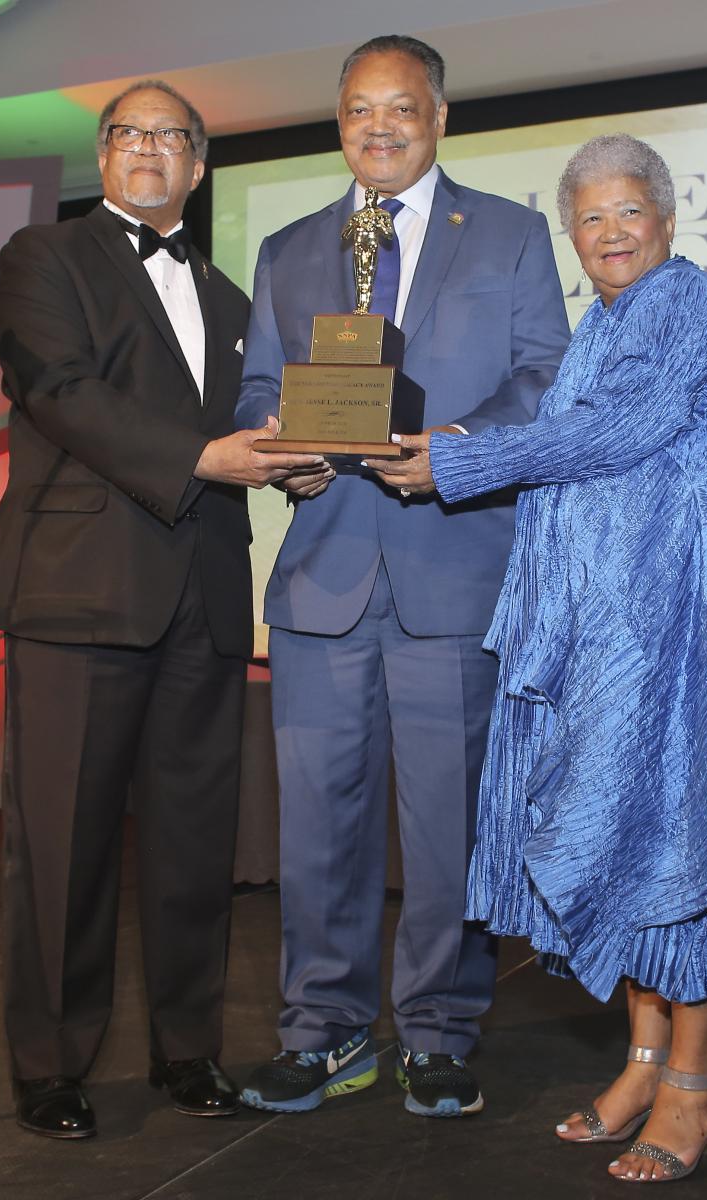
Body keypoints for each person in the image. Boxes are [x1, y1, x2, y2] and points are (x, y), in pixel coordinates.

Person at [374, 133, 707, 1179]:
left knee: (688, 846)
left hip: (690, 634)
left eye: (627, 210)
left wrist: (458, 460)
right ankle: (642, 1063)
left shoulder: (685, 302)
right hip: (617, 635)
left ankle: (696, 1082)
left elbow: (626, 429)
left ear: (665, 221)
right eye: (587, 218)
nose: (609, 231)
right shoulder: (601, 323)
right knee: (631, 839)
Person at [0, 79, 325, 1139]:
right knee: (63, 846)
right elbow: (56, 389)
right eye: (128, 132)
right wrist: (205, 458)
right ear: (102, 153)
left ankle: (188, 1050)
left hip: (203, 596)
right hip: (78, 590)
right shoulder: (43, 257)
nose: (148, 148)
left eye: (171, 136)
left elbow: (252, 427)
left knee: (193, 846)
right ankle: (49, 1065)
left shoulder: (230, 298)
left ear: (198, 166)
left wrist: (299, 460)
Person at [235, 35, 569, 1117]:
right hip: (321, 579)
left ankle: (435, 1031)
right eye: (358, 109)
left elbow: (545, 378)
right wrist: (277, 443)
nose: (377, 127)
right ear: (338, 121)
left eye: (400, 108)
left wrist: (456, 451)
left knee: (446, 829)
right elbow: (255, 391)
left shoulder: (510, 234)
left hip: (453, 570)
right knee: (315, 831)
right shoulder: (287, 248)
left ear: (438, 117)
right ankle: (323, 1030)